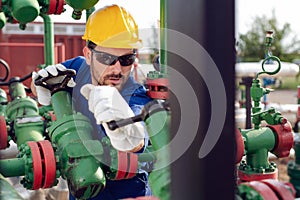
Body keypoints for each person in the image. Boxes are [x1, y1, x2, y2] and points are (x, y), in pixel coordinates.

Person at [31, 4, 153, 200]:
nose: (117, 69)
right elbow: (41, 82)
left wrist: (126, 129)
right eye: (106, 58)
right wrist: (38, 87)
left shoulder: (136, 94)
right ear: (88, 55)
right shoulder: (77, 68)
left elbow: (137, 141)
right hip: (81, 193)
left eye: (127, 59)